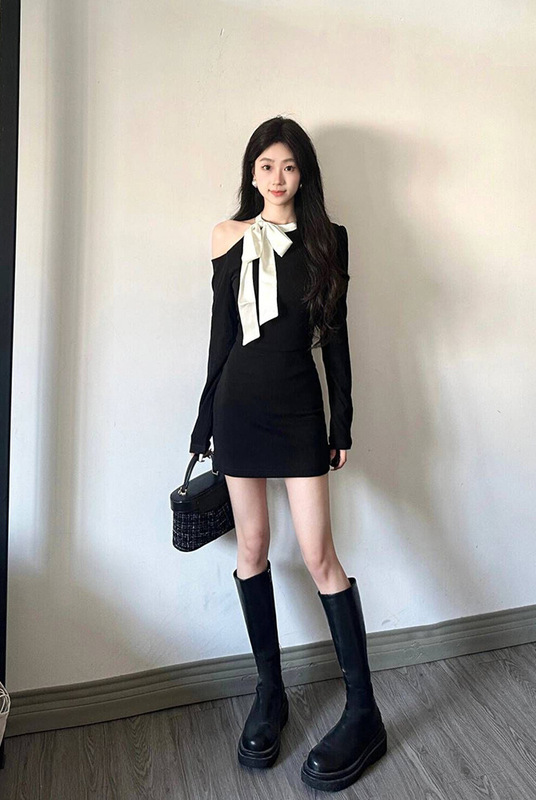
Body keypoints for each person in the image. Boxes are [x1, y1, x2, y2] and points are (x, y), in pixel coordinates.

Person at [189, 115, 387, 792]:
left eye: (290, 166)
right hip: (237, 410)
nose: (278, 178)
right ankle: (270, 693)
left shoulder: (329, 239)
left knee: (319, 554)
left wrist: (342, 423)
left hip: (300, 408)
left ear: (305, 174)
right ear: (252, 172)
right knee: (251, 548)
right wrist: (202, 424)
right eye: (267, 165)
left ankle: (364, 712)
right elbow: (220, 337)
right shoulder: (226, 236)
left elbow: (336, 338)